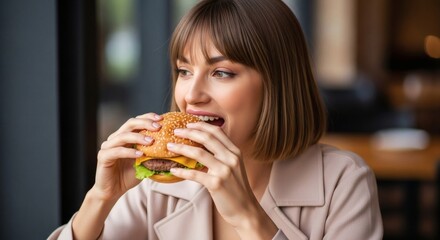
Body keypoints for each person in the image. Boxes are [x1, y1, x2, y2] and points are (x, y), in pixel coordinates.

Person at [49, 0, 383, 239]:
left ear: (278, 84)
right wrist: (100, 198)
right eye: (184, 71)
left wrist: (248, 219)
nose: (191, 94)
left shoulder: (343, 182)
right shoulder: (157, 185)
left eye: (221, 72)